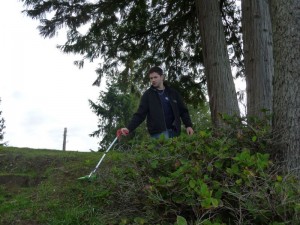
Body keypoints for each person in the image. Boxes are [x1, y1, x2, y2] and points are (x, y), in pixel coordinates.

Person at [120, 66, 194, 139]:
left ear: (162, 77)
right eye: (151, 78)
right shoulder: (147, 95)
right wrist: (129, 128)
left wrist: (188, 125)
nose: (153, 80)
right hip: (158, 134)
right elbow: (140, 115)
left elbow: (183, 111)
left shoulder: (173, 93)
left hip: (174, 133)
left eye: (155, 77)